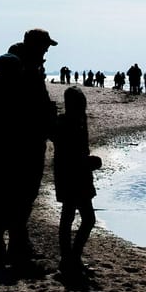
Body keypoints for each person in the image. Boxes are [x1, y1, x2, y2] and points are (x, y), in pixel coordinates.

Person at [0, 29, 59, 272]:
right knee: (17, 198)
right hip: (20, 148)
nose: (46, 51)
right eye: (44, 46)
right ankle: (10, 252)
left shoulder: (10, 68)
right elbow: (32, 111)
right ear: (34, 45)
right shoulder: (24, 71)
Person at [53, 87, 103, 280]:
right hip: (72, 176)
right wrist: (89, 162)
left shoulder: (78, 121)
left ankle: (72, 259)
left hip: (78, 176)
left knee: (77, 218)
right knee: (79, 218)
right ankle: (69, 260)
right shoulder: (65, 122)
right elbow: (68, 154)